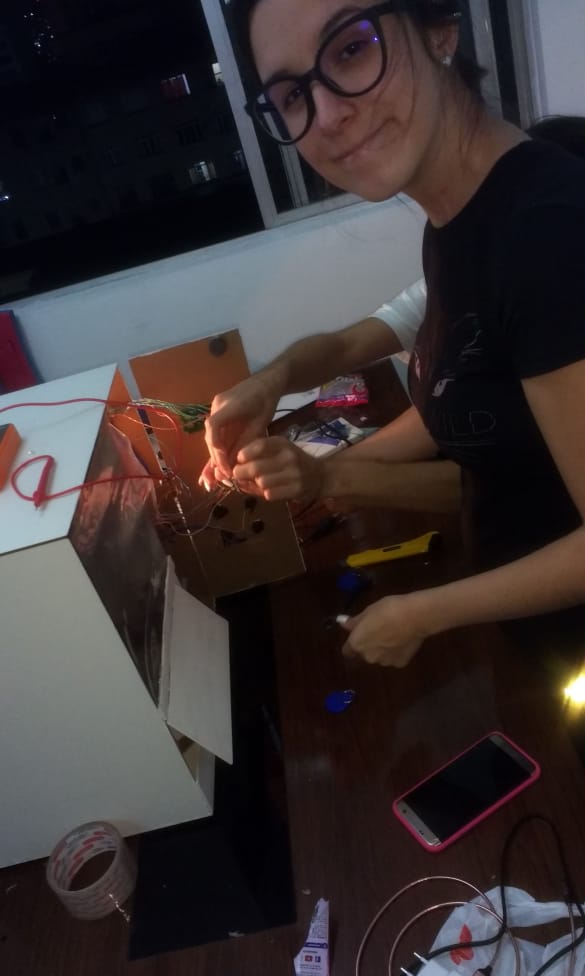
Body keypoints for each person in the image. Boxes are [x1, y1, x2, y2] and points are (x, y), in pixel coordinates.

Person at [200, 0, 585, 674]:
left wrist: (421, 614)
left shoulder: (545, 231)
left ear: (439, 30)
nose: (325, 115)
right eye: (292, 96)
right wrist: (271, 381)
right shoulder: (458, 224)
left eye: (351, 48)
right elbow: (499, 462)